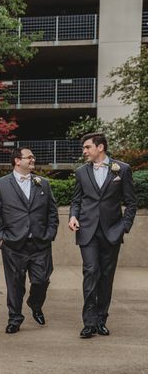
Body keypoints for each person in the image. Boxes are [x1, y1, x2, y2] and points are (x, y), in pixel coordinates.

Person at [69, 132, 137, 339]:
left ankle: (101, 320)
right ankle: (88, 323)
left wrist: (123, 227)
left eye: (87, 147)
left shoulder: (122, 169)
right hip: (87, 231)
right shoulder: (81, 172)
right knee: (90, 272)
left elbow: (131, 203)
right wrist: (73, 216)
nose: (84, 151)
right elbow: (77, 200)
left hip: (112, 232)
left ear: (100, 147)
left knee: (106, 277)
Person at [0, 147, 59, 334]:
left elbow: (52, 212)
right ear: (17, 161)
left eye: (33, 157)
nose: (33, 159)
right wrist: (0, 238)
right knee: (14, 284)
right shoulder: (0, 185)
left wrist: (50, 234)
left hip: (40, 243)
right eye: (29, 157)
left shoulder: (42, 184)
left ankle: (35, 303)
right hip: (12, 244)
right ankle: (15, 318)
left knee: (42, 280)